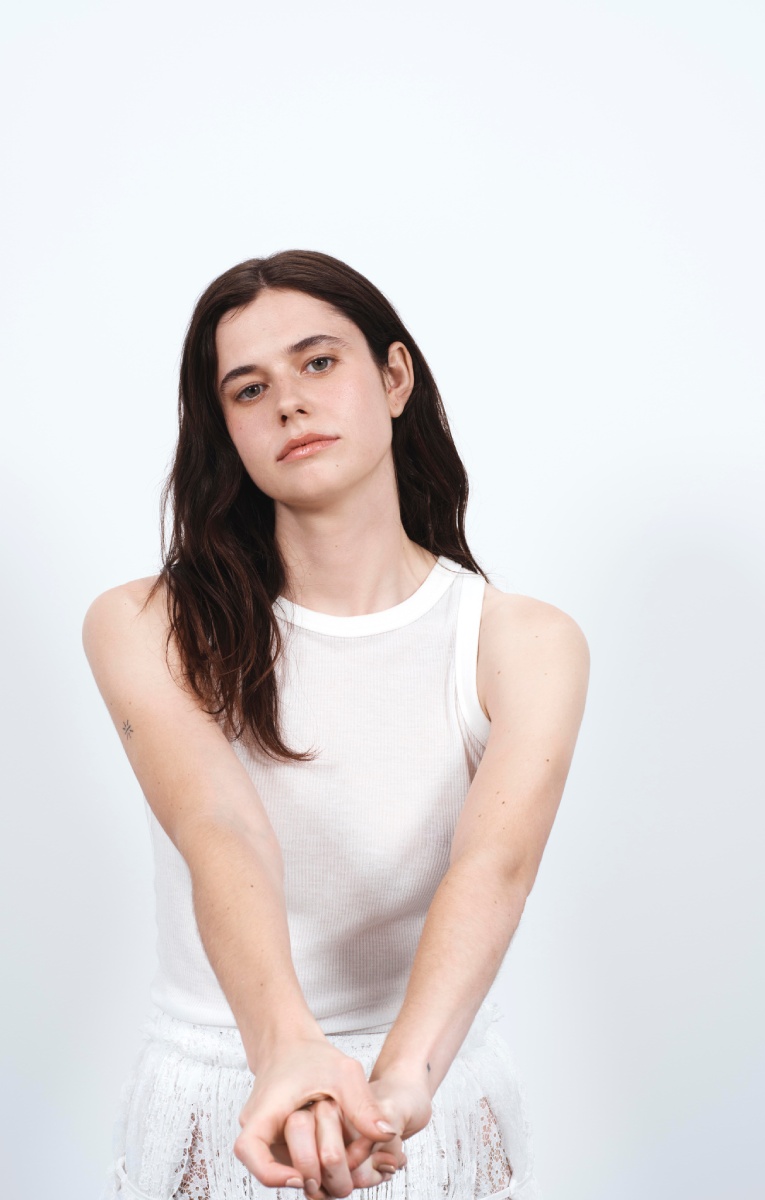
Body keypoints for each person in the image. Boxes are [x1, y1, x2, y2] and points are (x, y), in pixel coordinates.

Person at [82, 249, 590, 1200]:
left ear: (394, 379)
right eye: (249, 388)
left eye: (319, 362)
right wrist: (288, 1054)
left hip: (434, 1085)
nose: (289, 402)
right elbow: (221, 830)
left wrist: (397, 1086)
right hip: (226, 1086)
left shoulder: (522, 640)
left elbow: (495, 866)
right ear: (225, 429)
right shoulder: (147, 623)